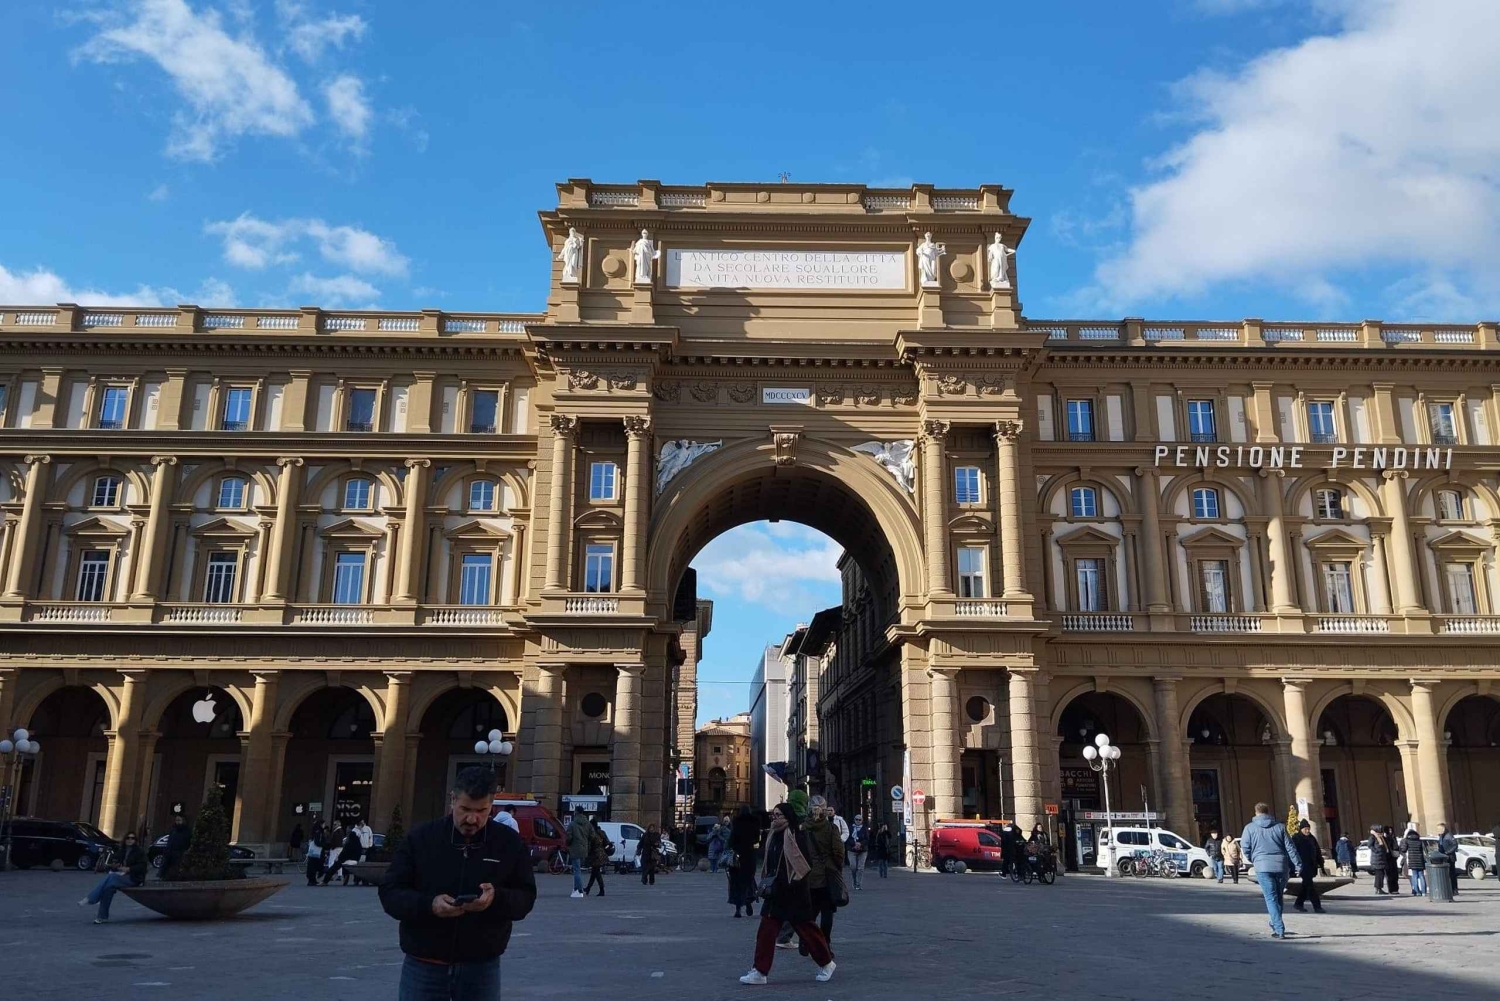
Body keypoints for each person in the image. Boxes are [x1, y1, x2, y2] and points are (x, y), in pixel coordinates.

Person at [379, 766, 536, 1001]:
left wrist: (496, 899)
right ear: (452, 800)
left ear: (491, 806)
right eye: (464, 809)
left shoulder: (508, 843)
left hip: (481, 966)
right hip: (424, 965)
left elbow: (525, 897)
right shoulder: (421, 839)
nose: (471, 819)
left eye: (481, 811)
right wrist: (429, 905)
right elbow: (390, 893)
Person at [738, 803, 836, 985]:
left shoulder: (797, 836)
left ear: (788, 817)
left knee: (808, 930)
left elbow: (804, 864)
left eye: (779, 816)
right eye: (773, 815)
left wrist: (790, 882)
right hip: (776, 892)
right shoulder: (773, 836)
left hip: (794, 891)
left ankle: (827, 962)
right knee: (766, 932)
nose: (774, 819)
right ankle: (759, 971)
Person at [1239, 802, 1303, 940]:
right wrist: (1298, 864)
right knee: (1278, 896)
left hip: (1262, 867)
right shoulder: (1280, 827)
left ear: (1256, 812)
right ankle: (1275, 923)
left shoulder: (1249, 828)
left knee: (1271, 898)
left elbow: (1245, 847)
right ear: (1268, 812)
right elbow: (1290, 847)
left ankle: (1279, 928)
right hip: (1281, 866)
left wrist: (1255, 859)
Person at [804, 796, 846, 951]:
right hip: (827, 875)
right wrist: (837, 868)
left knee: (810, 912)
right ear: (825, 809)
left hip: (807, 875)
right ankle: (825, 944)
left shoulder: (803, 828)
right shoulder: (831, 828)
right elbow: (838, 852)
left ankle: (806, 940)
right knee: (827, 912)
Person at [80, 832, 147, 923]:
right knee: (108, 889)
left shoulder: (139, 851)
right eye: (128, 838)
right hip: (121, 876)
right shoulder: (122, 850)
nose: (130, 840)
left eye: (133, 838)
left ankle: (91, 898)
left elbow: (143, 867)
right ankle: (102, 917)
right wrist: (115, 865)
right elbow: (114, 862)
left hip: (134, 878)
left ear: (136, 840)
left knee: (111, 877)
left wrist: (129, 869)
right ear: (125, 839)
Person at [729, 804, 760, 918]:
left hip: (738, 855)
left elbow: (731, 840)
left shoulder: (736, 823)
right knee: (749, 880)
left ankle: (738, 908)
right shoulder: (754, 822)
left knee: (736, 882)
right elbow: (757, 838)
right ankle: (748, 901)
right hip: (750, 855)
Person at [1290, 820, 1325, 914]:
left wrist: (1320, 863)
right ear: (1301, 829)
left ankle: (1298, 903)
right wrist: (1293, 867)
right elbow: (1292, 852)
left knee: (1306, 886)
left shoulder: (1312, 838)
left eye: (1308, 829)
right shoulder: (1296, 838)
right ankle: (1317, 907)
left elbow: (1317, 851)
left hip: (1311, 865)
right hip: (1302, 866)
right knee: (1310, 886)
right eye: (1305, 829)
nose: (1307, 831)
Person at [566, 808, 593, 899]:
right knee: (578, 869)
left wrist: (568, 844)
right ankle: (575, 888)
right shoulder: (588, 824)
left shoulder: (572, 824)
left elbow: (568, 837)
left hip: (575, 849)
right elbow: (592, 836)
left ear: (576, 813)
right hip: (584, 849)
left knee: (577, 870)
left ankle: (579, 890)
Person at [158, 813, 191, 880]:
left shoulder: (187, 831)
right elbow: (170, 842)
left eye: (179, 820)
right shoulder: (173, 831)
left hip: (180, 855)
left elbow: (187, 843)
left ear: (183, 821)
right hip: (170, 855)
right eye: (176, 820)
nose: (177, 822)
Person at [584, 822, 609, 897]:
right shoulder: (602, 832)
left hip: (595, 855)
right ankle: (588, 888)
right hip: (601, 854)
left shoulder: (593, 834)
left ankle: (601, 890)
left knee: (596, 873)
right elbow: (606, 843)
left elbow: (590, 846)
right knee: (594, 872)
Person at [1401, 822, 1426, 896]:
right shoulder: (1419, 841)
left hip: (1412, 860)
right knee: (1421, 875)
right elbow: (1423, 850)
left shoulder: (1407, 841)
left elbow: (1404, 850)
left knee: (1414, 876)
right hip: (1420, 860)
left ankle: (1417, 891)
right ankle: (1424, 891)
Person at [1367, 825, 1391, 894]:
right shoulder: (1373, 836)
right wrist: (1376, 851)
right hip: (1377, 858)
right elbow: (1369, 845)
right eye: (1379, 829)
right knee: (1379, 874)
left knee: (1381, 874)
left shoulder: (1381, 836)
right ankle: (1378, 889)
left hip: (1381, 858)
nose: (1381, 830)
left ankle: (1379, 888)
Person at [1436, 823, 1459, 897]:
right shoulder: (1441, 836)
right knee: (1446, 874)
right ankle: (1449, 888)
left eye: (1439, 829)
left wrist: (1447, 852)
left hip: (1450, 857)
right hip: (1444, 857)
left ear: (1443, 829)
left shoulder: (1448, 835)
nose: (1437, 830)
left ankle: (1454, 889)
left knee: (1452, 874)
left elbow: (1455, 845)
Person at [847, 813, 868, 890]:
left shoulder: (864, 828)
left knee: (860, 868)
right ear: (854, 820)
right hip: (852, 849)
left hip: (862, 850)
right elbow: (847, 837)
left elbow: (867, 839)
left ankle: (858, 884)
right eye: (857, 819)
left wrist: (860, 844)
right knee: (853, 866)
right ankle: (854, 880)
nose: (858, 821)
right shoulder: (850, 828)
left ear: (862, 820)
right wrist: (854, 843)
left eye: (860, 820)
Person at [1383, 825, 1401, 894]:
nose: (1390, 831)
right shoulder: (1385, 838)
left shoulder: (1393, 837)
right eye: (1389, 830)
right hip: (1388, 858)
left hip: (1393, 858)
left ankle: (1395, 888)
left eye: (1391, 830)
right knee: (1389, 874)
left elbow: (1396, 847)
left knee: (1395, 874)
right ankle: (1391, 889)